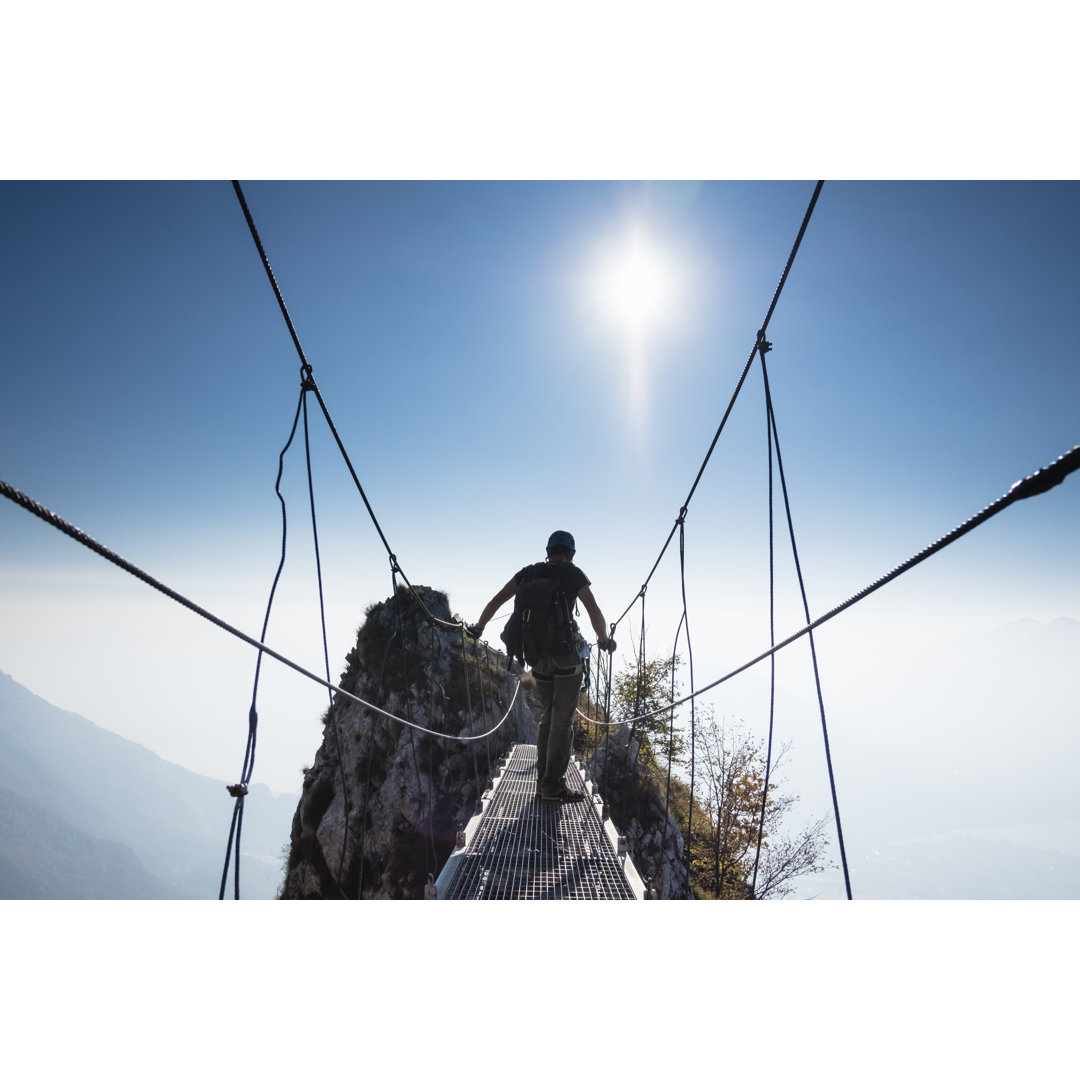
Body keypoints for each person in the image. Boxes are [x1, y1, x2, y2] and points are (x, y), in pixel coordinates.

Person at [468, 530, 615, 802]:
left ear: (548, 551)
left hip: (537, 660)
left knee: (548, 717)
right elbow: (594, 611)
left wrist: (478, 628)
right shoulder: (572, 573)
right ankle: (552, 786)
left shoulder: (529, 573)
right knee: (562, 721)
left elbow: (495, 601)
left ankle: (543, 783)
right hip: (566, 659)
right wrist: (604, 640)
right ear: (570, 554)